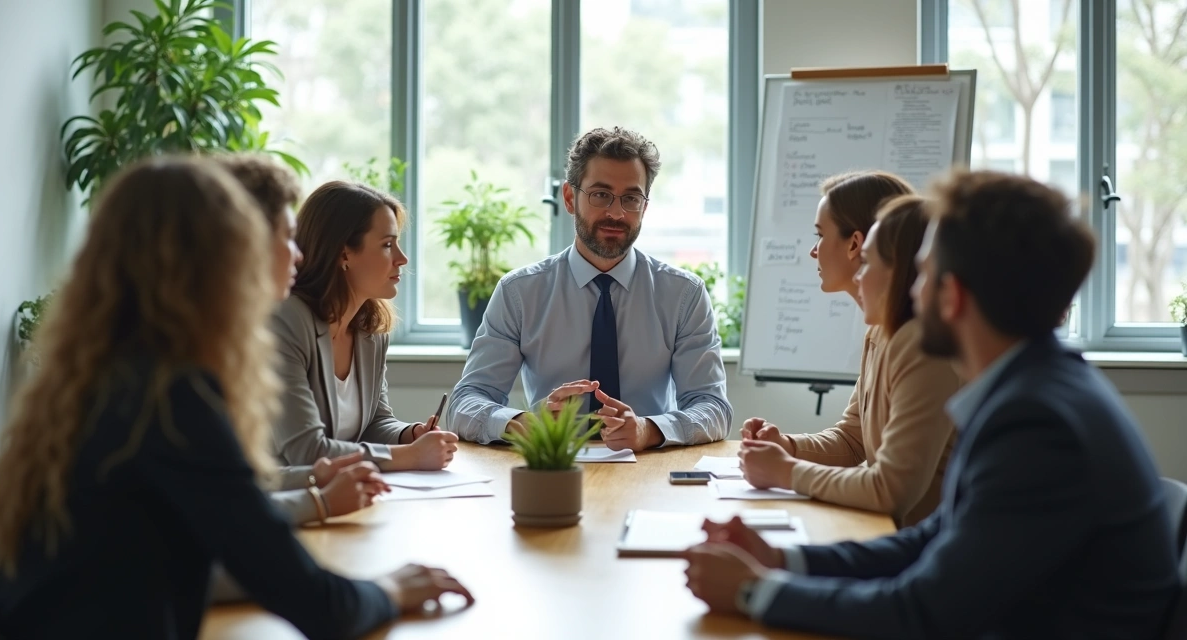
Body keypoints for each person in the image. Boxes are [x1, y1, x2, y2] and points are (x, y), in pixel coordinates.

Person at [0, 157, 472, 639]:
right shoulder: (173, 398)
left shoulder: (108, 375)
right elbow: (319, 606)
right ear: (229, 252)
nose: (298, 255)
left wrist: (315, 489)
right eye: (282, 236)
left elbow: (224, 512)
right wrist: (391, 587)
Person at [684, 170, 1179, 638]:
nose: (912, 294)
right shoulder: (1031, 390)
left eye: (921, 274)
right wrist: (782, 560)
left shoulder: (1036, 423)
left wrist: (754, 590)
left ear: (952, 295)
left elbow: (923, 613)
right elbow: (932, 540)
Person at [446, 126, 733, 451]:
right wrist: (524, 424)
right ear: (570, 198)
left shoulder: (683, 295)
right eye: (600, 195)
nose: (616, 212)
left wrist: (647, 430)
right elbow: (464, 403)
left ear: (645, 206)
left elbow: (713, 407)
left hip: (648, 469)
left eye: (631, 198)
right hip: (551, 467)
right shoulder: (520, 294)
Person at [740, 189, 960, 527]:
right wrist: (786, 446)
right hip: (896, 537)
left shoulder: (919, 344)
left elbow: (891, 489)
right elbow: (852, 438)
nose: (858, 276)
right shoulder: (882, 332)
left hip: (918, 547)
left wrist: (786, 471)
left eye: (819, 234)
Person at [215, 153, 388, 525]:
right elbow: (217, 511)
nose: (298, 256)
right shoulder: (182, 369)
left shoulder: (220, 347)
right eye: (287, 237)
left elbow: (232, 484)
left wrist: (316, 480)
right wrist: (320, 500)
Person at [270, 181, 459, 470]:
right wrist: (411, 455)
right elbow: (306, 451)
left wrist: (410, 435)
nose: (402, 258)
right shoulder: (287, 321)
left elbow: (374, 423)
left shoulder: (369, 332)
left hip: (341, 495)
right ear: (344, 254)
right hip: (279, 500)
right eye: (387, 245)